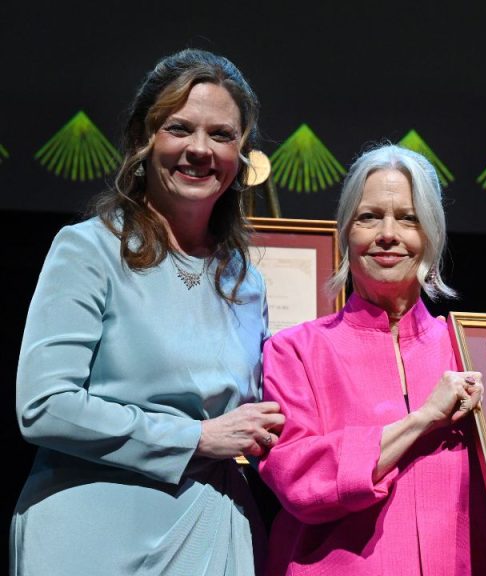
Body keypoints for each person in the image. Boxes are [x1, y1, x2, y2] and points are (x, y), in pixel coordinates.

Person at [258, 144, 486, 576]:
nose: (387, 233)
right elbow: (300, 480)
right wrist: (423, 419)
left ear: (433, 235)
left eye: (409, 218)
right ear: (345, 231)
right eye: (369, 216)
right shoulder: (294, 351)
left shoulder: (476, 351)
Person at [11, 49, 284, 575]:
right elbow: (44, 404)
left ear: (241, 153)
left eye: (222, 135)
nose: (200, 150)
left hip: (212, 529)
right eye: (179, 128)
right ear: (144, 139)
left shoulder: (246, 284)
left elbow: (260, 419)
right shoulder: (88, 250)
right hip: (92, 534)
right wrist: (197, 438)